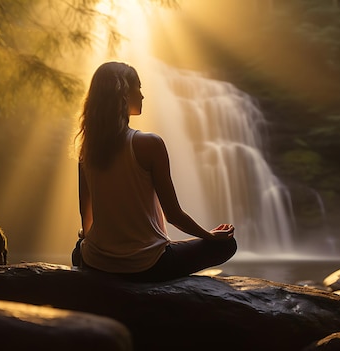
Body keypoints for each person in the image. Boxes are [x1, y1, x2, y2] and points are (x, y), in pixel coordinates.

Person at [72, 61, 237, 282]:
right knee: (227, 245)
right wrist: (209, 236)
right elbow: (173, 215)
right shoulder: (149, 144)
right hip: (148, 266)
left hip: (97, 262)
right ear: (123, 93)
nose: (142, 96)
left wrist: (93, 245)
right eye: (138, 88)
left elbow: (87, 220)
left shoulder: (87, 150)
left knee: (79, 248)